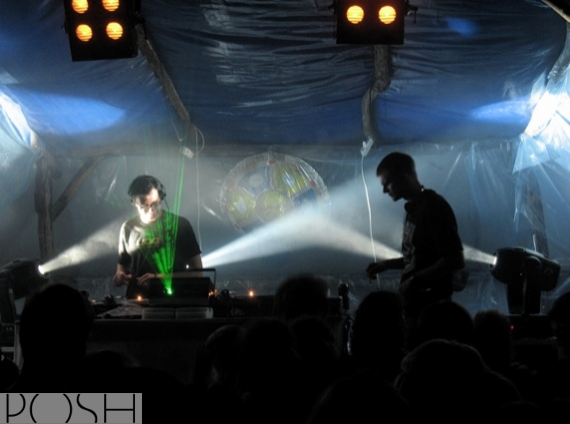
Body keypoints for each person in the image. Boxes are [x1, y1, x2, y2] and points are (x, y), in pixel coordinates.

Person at [365, 152, 465, 348]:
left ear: (404, 175)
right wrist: (386, 265)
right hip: (416, 309)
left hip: (433, 314)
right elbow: (417, 257)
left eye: (387, 183)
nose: (384, 190)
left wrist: (416, 279)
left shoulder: (434, 207)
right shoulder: (414, 209)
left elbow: (455, 259)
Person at [113, 175, 202, 299]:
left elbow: (198, 273)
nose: (151, 210)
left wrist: (159, 279)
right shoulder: (127, 228)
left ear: (161, 198)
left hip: (172, 301)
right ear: (133, 202)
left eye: (155, 204)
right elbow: (120, 271)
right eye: (144, 205)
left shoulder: (180, 225)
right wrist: (120, 277)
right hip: (136, 302)